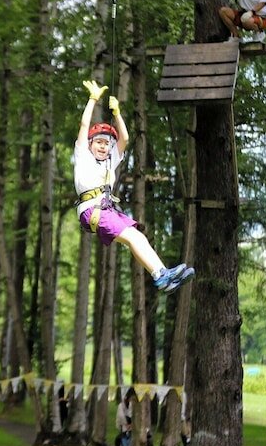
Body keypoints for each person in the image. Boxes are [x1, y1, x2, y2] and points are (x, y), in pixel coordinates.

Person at [74, 80, 194, 293]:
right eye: (99, 142)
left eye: (106, 143)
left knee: (137, 237)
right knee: (131, 237)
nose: (103, 147)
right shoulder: (83, 157)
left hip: (105, 210)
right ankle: (161, 275)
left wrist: (117, 113)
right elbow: (84, 126)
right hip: (93, 209)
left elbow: (125, 138)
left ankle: (161, 274)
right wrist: (93, 99)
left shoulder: (110, 161)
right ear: (90, 145)